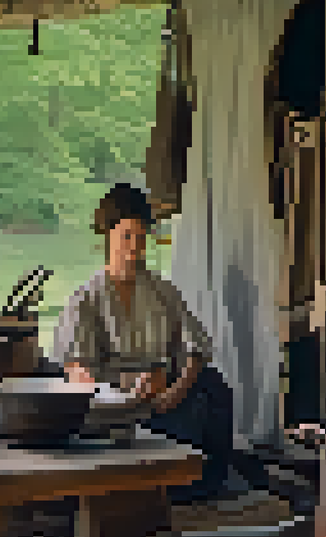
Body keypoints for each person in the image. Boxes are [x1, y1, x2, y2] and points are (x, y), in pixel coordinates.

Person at [53, 183, 240, 505]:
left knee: (215, 386)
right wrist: (124, 392)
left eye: (141, 238)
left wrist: (174, 390)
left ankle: (205, 485)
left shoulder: (162, 290)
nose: (134, 247)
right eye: (126, 236)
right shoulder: (86, 298)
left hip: (162, 394)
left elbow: (195, 348)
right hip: (110, 398)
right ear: (108, 236)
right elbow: (78, 369)